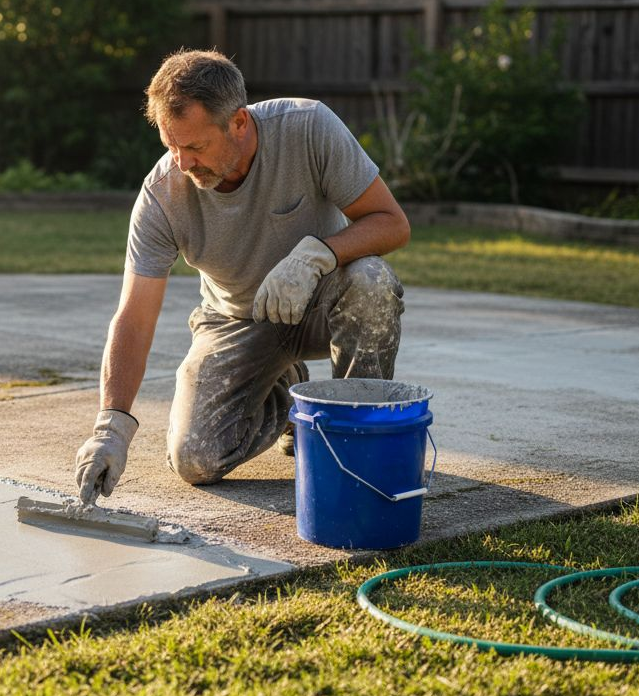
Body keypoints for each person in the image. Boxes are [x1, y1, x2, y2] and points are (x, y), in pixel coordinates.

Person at [75, 49, 410, 505]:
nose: (183, 163)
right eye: (171, 145)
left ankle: (352, 448)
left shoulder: (308, 128)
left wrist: (318, 255)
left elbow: (392, 222)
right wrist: (111, 424)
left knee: (372, 281)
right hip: (235, 320)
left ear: (238, 122)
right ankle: (293, 400)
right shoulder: (162, 195)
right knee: (194, 458)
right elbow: (133, 317)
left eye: (194, 146)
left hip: (321, 302)